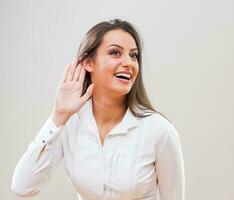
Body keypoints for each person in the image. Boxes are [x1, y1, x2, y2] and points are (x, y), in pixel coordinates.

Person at [11, 19, 185, 200]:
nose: (129, 63)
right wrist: (59, 115)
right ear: (88, 63)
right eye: (115, 53)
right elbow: (22, 186)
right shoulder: (71, 122)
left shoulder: (159, 131)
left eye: (133, 56)